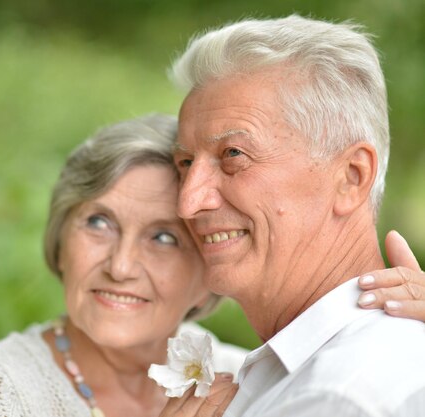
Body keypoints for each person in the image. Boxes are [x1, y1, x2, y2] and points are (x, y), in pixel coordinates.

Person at [0, 113, 423, 417]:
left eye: (164, 237)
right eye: (98, 223)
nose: (121, 266)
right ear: (60, 240)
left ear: (208, 271)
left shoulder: (249, 379)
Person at [164, 14, 425, 417]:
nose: (188, 201)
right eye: (184, 162)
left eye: (233, 154)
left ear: (351, 178)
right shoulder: (300, 370)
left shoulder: (337, 396)